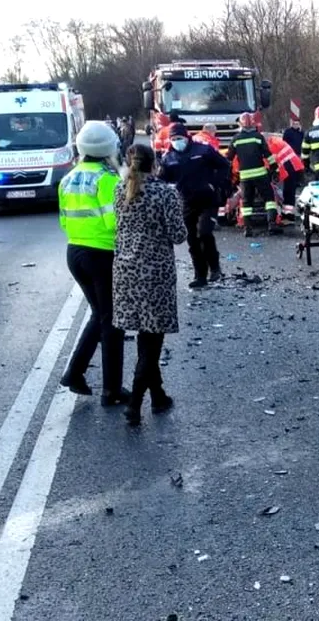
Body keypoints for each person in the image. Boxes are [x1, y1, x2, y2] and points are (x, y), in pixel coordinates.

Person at [113, 144, 188, 426]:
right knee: (152, 338)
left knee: (146, 335)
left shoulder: (119, 190)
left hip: (124, 271)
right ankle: (134, 404)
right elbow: (179, 235)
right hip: (155, 272)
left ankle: (158, 396)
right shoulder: (165, 193)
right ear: (154, 164)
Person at [57, 121, 130, 406]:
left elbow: (63, 220)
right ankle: (111, 390)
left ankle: (74, 373)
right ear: (108, 148)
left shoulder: (69, 177)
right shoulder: (107, 179)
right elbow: (116, 222)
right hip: (102, 255)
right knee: (113, 321)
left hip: (75, 252)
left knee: (99, 314)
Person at [160, 123, 230, 287]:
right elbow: (162, 180)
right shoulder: (168, 158)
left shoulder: (203, 150)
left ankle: (214, 267)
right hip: (185, 203)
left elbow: (223, 165)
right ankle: (200, 275)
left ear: (187, 137)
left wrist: (214, 183)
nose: (178, 142)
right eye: (174, 139)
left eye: (180, 138)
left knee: (204, 232)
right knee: (192, 240)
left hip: (208, 200)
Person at [228, 112, 282, 237]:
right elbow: (268, 155)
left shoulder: (236, 139)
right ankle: (272, 225)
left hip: (245, 177)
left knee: (247, 203)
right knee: (269, 199)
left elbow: (229, 158)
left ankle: (248, 228)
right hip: (260, 174)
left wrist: (229, 175)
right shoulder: (258, 137)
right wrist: (274, 169)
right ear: (253, 123)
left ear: (240, 124)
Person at [267, 132, 305, 213]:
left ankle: (288, 215)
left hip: (291, 168)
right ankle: (288, 214)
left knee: (288, 192)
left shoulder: (270, 148)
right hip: (296, 166)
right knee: (289, 191)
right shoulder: (274, 142)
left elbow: (270, 165)